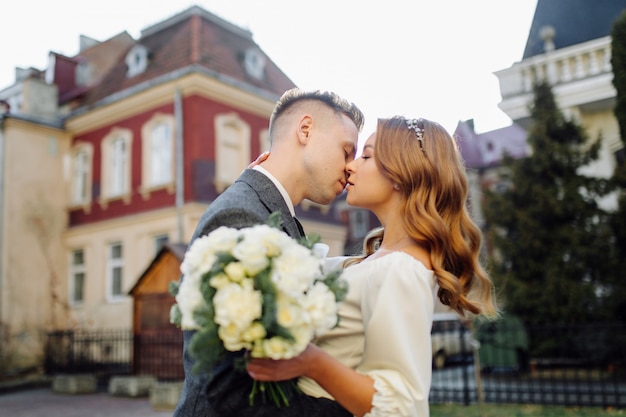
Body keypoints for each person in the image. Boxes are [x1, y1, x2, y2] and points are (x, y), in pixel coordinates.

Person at [245, 116, 498, 417]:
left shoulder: (402, 270)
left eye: (366, 156)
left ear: (401, 174)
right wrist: (259, 188)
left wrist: (310, 361)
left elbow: (401, 406)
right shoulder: (375, 261)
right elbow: (298, 269)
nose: (351, 165)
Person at [173, 88, 364, 417]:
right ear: (305, 130)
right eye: (346, 150)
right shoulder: (242, 216)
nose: (350, 169)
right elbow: (228, 389)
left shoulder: (270, 210)